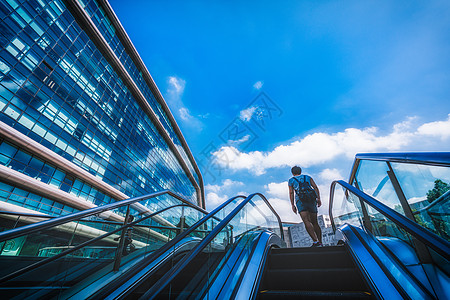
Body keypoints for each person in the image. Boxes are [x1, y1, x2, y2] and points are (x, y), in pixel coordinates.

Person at [288, 166, 323, 247]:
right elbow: (315, 187)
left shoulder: (291, 180)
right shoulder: (307, 177)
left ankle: (315, 241)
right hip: (311, 200)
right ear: (300, 171)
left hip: (300, 201)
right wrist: (318, 198)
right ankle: (320, 242)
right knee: (315, 222)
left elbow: (291, 193)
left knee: (306, 221)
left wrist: (292, 205)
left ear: (292, 173)